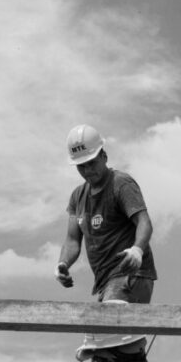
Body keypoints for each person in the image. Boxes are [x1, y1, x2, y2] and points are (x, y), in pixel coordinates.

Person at [56, 124, 158, 303]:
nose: (88, 171)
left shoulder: (120, 184)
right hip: (106, 282)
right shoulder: (77, 197)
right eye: (81, 166)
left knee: (112, 329)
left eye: (91, 163)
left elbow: (144, 222)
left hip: (129, 275)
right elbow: (72, 240)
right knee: (109, 330)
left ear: (104, 156)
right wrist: (62, 264)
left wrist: (137, 250)